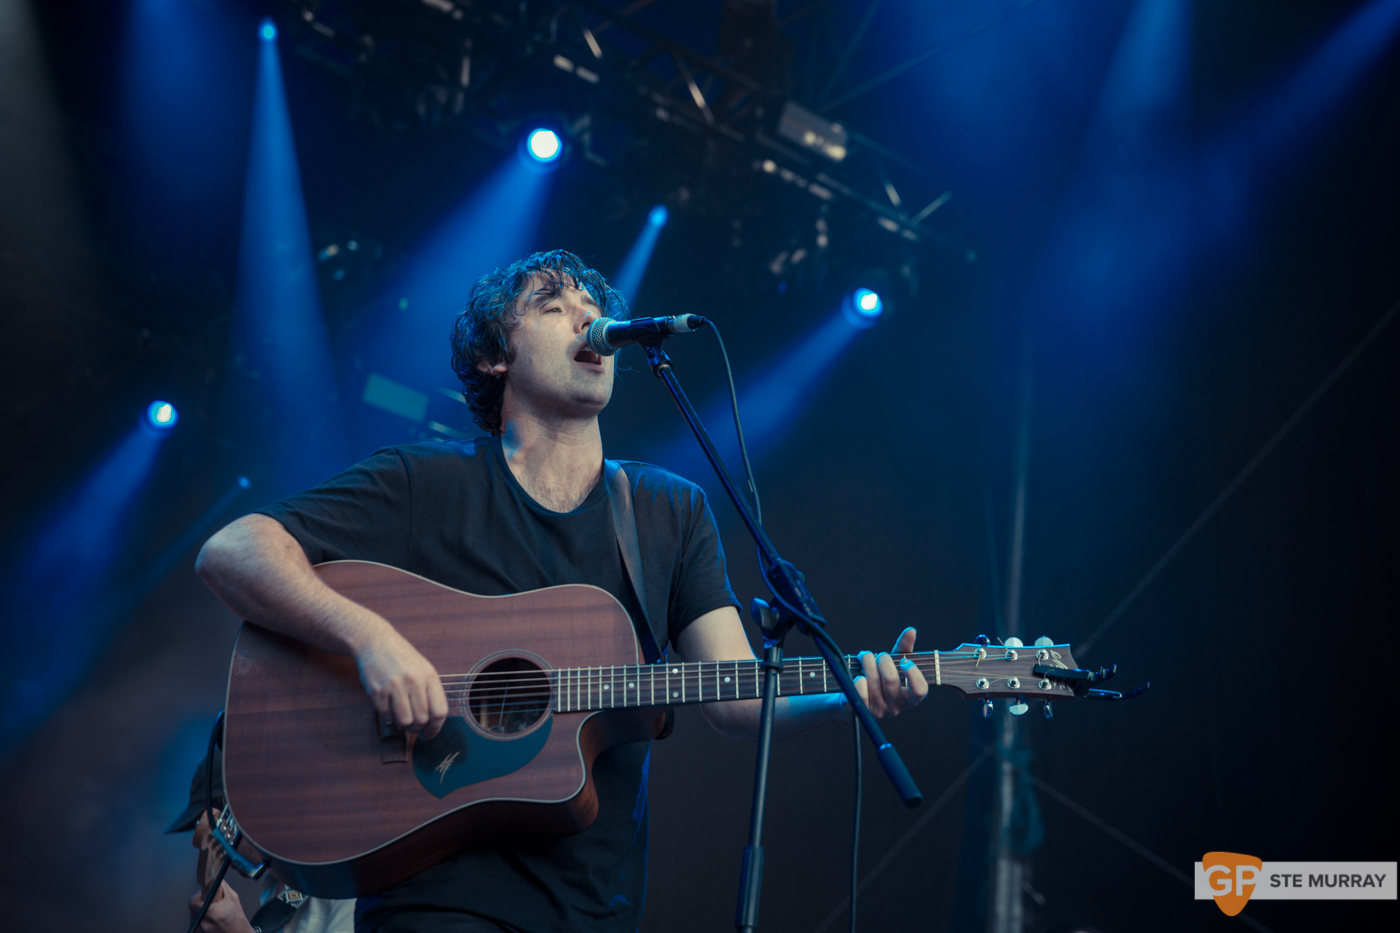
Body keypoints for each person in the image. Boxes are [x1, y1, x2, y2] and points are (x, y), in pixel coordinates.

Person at [195, 249, 927, 932]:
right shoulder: (426, 483)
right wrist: (371, 639)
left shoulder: (666, 511)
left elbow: (735, 696)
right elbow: (233, 551)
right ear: (494, 356)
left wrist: (847, 695)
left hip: (592, 904)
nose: (587, 316)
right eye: (553, 304)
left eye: (593, 302)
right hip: (433, 896)